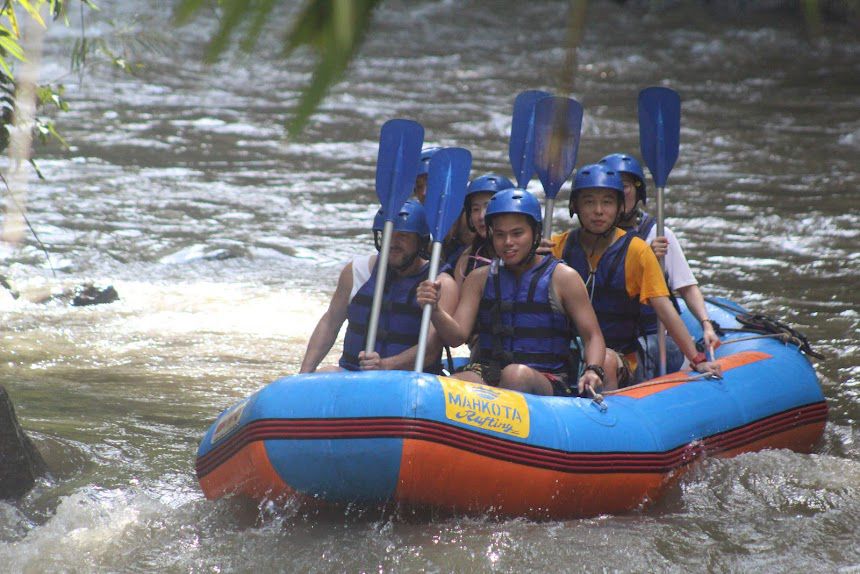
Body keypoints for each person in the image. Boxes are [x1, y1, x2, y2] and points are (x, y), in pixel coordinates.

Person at [417, 188, 608, 397]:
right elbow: (456, 337)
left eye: (517, 233)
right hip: (490, 373)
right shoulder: (478, 279)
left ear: (535, 233)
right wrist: (435, 309)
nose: (508, 242)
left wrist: (593, 369)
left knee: (515, 375)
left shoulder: (564, 278)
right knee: (452, 385)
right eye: (500, 235)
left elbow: (592, 336)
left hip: (546, 379)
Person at [550, 163, 721, 388]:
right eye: (589, 202)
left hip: (622, 359)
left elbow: (664, 309)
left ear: (620, 207)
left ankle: (606, 415)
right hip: (568, 352)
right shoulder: (556, 247)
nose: (598, 210)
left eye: (607, 202)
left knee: (606, 359)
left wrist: (697, 359)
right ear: (575, 206)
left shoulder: (637, 251)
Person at [300, 200, 458, 374]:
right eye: (388, 234)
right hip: (354, 373)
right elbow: (330, 323)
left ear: (420, 241)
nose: (393, 243)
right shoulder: (356, 272)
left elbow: (431, 349)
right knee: (326, 373)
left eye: (403, 236)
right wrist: (304, 374)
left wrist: (385, 365)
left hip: (411, 381)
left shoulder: (440, 284)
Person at [599, 153, 720, 378]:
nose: (616, 194)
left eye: (624, 187)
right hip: (606, 339)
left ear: (638, 192)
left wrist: (706, 324)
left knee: (647, 348)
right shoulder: (589, 240)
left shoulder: (659, 235)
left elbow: (687, 287)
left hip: (653, 340)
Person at [452, 173, 514, 284]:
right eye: (476, 209)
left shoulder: (529, 253)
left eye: (488, 206)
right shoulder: (466, 260)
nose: (481, 216)